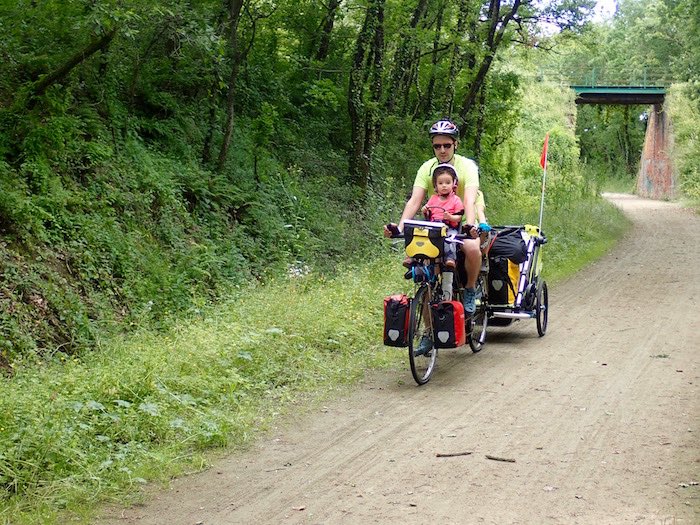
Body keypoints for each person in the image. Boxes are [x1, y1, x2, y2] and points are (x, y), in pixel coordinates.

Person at [384, 118, 482, 315]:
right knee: (427, 272)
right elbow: (414, 201)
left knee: (471, 248)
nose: (442, 150)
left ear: (456, 144)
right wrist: (400, 228)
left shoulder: (467, 167)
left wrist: (469, 226)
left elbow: (470, 200)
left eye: (447, 145)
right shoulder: (427, 168)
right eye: (437, 146)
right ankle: (428, 332)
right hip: (436, 224)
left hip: (463, 221)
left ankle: (470, 288)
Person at [421, 163, 464, 300]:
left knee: (449, 239)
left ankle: (450, 258)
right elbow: (427, 210)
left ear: (453, 184)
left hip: (448, 227)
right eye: (440, 183)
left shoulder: (455, 200)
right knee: (421, 237)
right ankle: (415, 260)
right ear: (435, 185)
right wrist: (425, 211)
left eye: (447, 182)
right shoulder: (433, 198)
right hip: (434, 227)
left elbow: (459, 216)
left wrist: (450, 217)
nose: (444, 185)